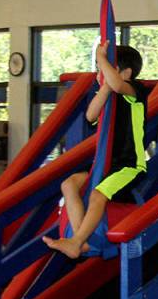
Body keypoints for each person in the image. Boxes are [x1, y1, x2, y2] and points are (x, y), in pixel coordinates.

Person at [44, 42, 149, 259]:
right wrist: (104, 86)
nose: (101, 73)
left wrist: (101, 58)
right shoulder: (109, 96)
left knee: (97, 195)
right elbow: (91, 115)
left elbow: (119, 86)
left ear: (126, 73)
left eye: (108, 69)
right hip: (107, 165)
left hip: (129, 165)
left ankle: (77, 240)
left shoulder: (135, 92)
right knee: (69, 184)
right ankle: (80, 240)